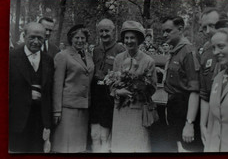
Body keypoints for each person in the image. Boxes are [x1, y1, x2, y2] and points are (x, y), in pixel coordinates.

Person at [111, 21, 157, 152]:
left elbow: (152, 88)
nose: (129, 41)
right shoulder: (118, 59)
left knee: (137, 146)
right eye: (126, 38)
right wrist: (119, 91)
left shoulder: (148, 61)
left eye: (132, 38)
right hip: (120, 111)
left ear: (139, 40)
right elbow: (112, 83)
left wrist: (139, 88)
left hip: (138, 111)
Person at [9, 22, 54, 153]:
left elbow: (49, 92)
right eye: (32, 37)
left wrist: (48, 122)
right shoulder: (11, 57)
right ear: (24, 36)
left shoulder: (48, 60)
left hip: (40, 121)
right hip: (17, 120)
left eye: (40, 38)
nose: (36, 41)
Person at [162, 16, 202, 152]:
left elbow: (195, 90)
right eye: (163, 31)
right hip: (173, 108)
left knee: (186, 149)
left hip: (184, 109)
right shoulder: (175, 51)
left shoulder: (188, 52)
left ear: (180, 29)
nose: (164, 35)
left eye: (168, 31)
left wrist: (189, 123)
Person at [52, 24, 94, 153]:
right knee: (64, 145)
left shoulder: (88, 56)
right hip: (67, 109)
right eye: (77, 37)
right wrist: (57, 111)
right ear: (71, 38)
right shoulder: (62, 56)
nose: (80, 40)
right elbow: (57, 85)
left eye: (83, 38)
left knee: (78, 147)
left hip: (84, 107)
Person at [90, 19, 125, 152]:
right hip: (95, 95)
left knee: (105, 134)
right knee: (94, 133)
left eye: (107, 31)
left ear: (113, 31)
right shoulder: (96, 50)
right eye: (101, 31)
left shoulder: (120, 50)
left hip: (109, 96)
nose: (104, 34)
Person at [199, 8, 228, 145]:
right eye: (204, 27)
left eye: (212, 25)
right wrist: (202, 125)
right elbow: (205, 92)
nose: (208, 31)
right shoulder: (206, 51)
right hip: (212, 121)